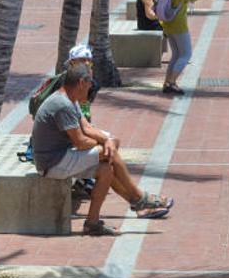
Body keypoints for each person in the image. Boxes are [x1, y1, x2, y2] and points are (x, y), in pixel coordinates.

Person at [30, 64, 174, 236]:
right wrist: (106, 145)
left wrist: (108, 140)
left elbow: (87, 129)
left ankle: (92, 223)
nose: (92, 86)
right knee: (106, 153)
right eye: (90, 82)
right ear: (82, 82)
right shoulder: (63, 105)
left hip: (63, 156)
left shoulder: (70, 98)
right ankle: (139, 198)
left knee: (106, 168)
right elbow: (81, 142)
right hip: (52, 163)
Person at [158, 0, 205, 95]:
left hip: (167, 23)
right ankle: (172, 82)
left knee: (176, 54)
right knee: (186, 54)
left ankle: (167, 83)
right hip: (179, 25)